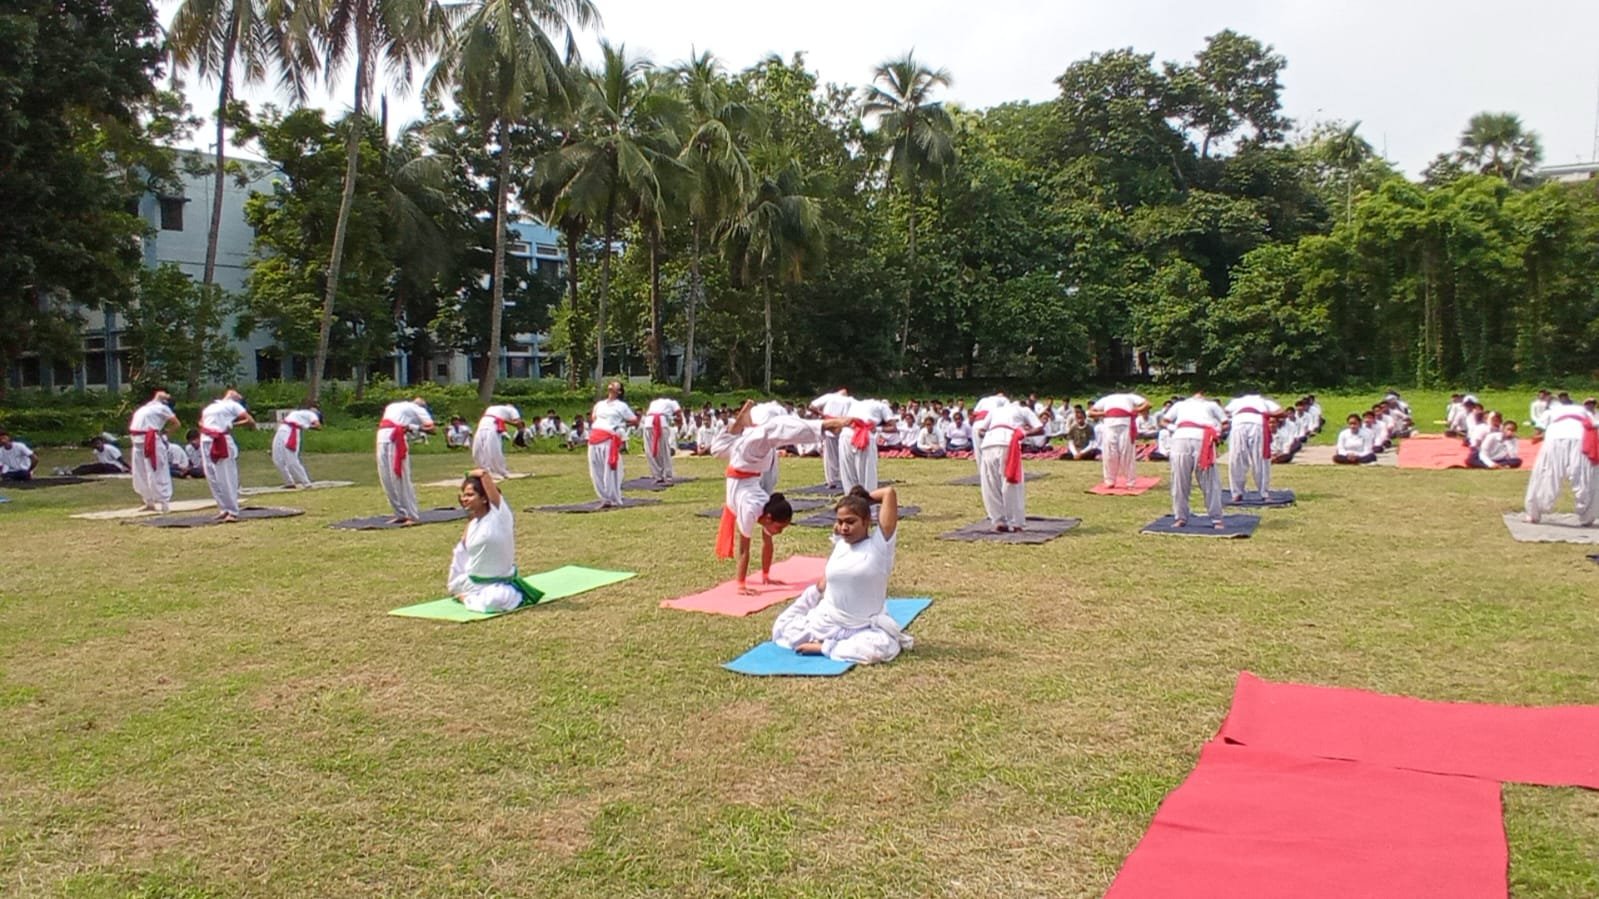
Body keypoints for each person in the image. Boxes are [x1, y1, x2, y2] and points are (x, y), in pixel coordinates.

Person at [714, 400, 848, 592]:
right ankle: (824, 425)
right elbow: (744, 549)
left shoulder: (762, 509)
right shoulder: (752, 507)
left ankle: (744, 422)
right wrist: (741, 585)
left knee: (723, 448)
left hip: (750, 467)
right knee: (769, 432)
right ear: (768, 518)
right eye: (779, 527)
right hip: (747, 461)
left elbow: (763, 541)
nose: (780, 532)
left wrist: (766, 576)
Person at [771, 485, 912, 664]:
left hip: (862, 628)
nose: (844, 527)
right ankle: (829, 641)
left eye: (850, 522)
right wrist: (815, 592)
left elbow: (889, 493)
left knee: (878, 650)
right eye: (840, 522)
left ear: (867, 521)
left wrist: (862, 500)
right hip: (828, 621)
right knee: (782, 629)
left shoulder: (880, 547)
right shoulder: (840, 543)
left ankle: (826, 647)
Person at [447, 468, 544, 613]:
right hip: (474, 582)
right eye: (463, 495)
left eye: (470, 495)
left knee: (493, 601)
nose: (464, 498)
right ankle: (470, 595)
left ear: (484, 498)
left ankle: (467, 598)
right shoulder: (473, 524)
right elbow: (461, 556)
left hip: (499, 584)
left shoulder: (499, 516)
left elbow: (484, 475)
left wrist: (471, 474)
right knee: (454, 585)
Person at [1524, 396, 1597, 525]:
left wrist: (1538, 436)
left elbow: (1538, 431)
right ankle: (1587, 516)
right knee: (1585, 477)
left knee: (1546, 473)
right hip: (1579, 437)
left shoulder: (1550, 411)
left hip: (1557, 437)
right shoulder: (1584, 411)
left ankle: (1534, 512)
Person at [1162, 391, 1227, 528]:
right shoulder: (1180, 405)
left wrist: (1217, 433)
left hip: (1202, 437)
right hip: (1182, 436)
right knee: (1180, 478)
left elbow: (1225, 423)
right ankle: (1180, 517)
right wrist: (1173, 428)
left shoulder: (1211, 405)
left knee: (1208, 478)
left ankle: (1216, 517)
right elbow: (1164, 421)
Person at [979, 399, 1044, 532]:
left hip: (988, 443)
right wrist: (1023, 433)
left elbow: (981, 430)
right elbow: (1040, 428)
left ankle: (998, 520)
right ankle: (1015, 522)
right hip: (1008, 442)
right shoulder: (1023, 410)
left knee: (991, 483)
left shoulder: (995, 410)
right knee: (1011, 481)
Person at [376, 396, 436, 525]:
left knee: (389, 477)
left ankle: (408, 514)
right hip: (390, 436)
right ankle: (403, 514)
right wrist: (413, 427)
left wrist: (410, 427)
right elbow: (431, 428)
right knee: (395, 478)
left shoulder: (393, 405)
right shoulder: (418, 409)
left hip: (384, 435)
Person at [199, 390, 255, 522]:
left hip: (221, 439)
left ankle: (232, 510)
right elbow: (201, 422)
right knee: (211, 475)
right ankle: (223, 508)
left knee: (225, 475)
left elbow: (249, 420)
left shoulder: (234, 405)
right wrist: (209, 429)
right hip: (206, 438)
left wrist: (231, 425)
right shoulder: (211, 406)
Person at [128, 388, 180, 512]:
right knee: (139, 472)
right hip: (137, 440)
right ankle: (148, 501)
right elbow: (157, 396)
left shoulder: (163, 409)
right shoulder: (146, 407)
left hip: (151, 439)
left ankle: (164, 502)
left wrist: (166, 433)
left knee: (156, 470)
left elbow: (176, 423)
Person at [588, 381, 639, 506]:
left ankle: (614, 498)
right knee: (595, 469)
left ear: (619, 391)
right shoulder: (600, 404)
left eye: (615, 385)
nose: (611, 385)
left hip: (609, 438)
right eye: (611, 384)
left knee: (610, 469)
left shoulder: (621, 406)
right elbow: (594, 418)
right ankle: (604, 498)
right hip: (595, 437)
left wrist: (620, 425)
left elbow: (634, 420)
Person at [1224, 392, 1282, 501]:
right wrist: (1268, 414)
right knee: (1257, 459)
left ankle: (1238, 493)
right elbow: (1280, 411)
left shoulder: (1237, 401)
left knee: (1237, 458)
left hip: (1242, 422)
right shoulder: (1263, 401)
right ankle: (1262, 493)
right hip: (1253, 422)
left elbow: (1224, 411)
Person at [839, 396, 893, 493]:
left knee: (848, 476)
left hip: (846, 434)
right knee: (868, 477)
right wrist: (877, 429)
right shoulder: (883, 407)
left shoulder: (854, 403)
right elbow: (893, 427)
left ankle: (850, 503)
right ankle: (868, 504)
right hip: (864, 434)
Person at [810, 388, 853, 490]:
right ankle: (846, 479)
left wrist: (822, 415)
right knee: (845, 455)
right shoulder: (849, 400)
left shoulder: (829, 397)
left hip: (831, 424)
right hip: (842, 426)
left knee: (830, 456)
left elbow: (812, 406)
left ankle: (831, 480)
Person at [271, 406, 322, 489]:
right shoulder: (297, 413)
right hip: (282, 429)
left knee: (292, 460)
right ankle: (289, 482)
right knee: (277, 458)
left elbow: (317, 426)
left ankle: (306, 483)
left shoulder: (312, 414)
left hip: (292, 431)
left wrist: (305, 426)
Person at [472, 403, 524, 480]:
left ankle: (497, 471)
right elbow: (519, 424)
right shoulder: (513, 410)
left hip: (485, 424)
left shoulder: (491, 407)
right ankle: (487, 471)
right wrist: (505, 421)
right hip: (490, 424)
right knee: (490, 450)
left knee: (480, 450)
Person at [642, 395, 684, 483]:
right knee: (664, 450)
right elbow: (679, 415)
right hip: (660, 422)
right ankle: (667, 475)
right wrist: (679, 425)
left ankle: (657, 475)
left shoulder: (654, 403)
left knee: (650, 451)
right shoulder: (673, 403)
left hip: (648, 422)